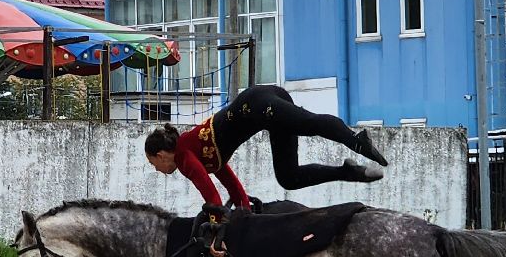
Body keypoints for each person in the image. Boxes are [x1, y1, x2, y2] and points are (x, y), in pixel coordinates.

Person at [143, 83, 390, 210]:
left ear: (162, 154)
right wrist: (243, 208)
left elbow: (210, 195)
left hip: (255, 105)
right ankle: (347, 172)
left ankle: (357, 140)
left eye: (153, 163)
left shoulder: (185, 157)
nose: (157, 169)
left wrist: (216, 225)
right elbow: (227, 178)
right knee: (289, 177)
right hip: (262, 105)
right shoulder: (195, 150)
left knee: (309, 123)